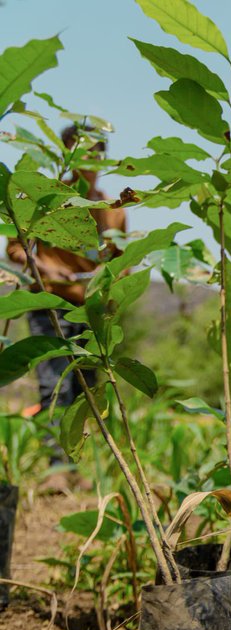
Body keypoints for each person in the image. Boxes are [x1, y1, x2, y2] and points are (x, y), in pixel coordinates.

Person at [5, 124, 126, 466]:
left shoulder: (113, 209)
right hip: (49, 304)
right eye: (81, 149)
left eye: (96, 152)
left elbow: (122, 260)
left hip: (90, 310)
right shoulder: (46, 199)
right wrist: (45, 267)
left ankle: (79, 463)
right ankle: (54, 465)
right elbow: (16, 248)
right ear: (65, 150)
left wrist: (112, 289)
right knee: (53, 384)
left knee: (85, 388)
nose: (89, 158)